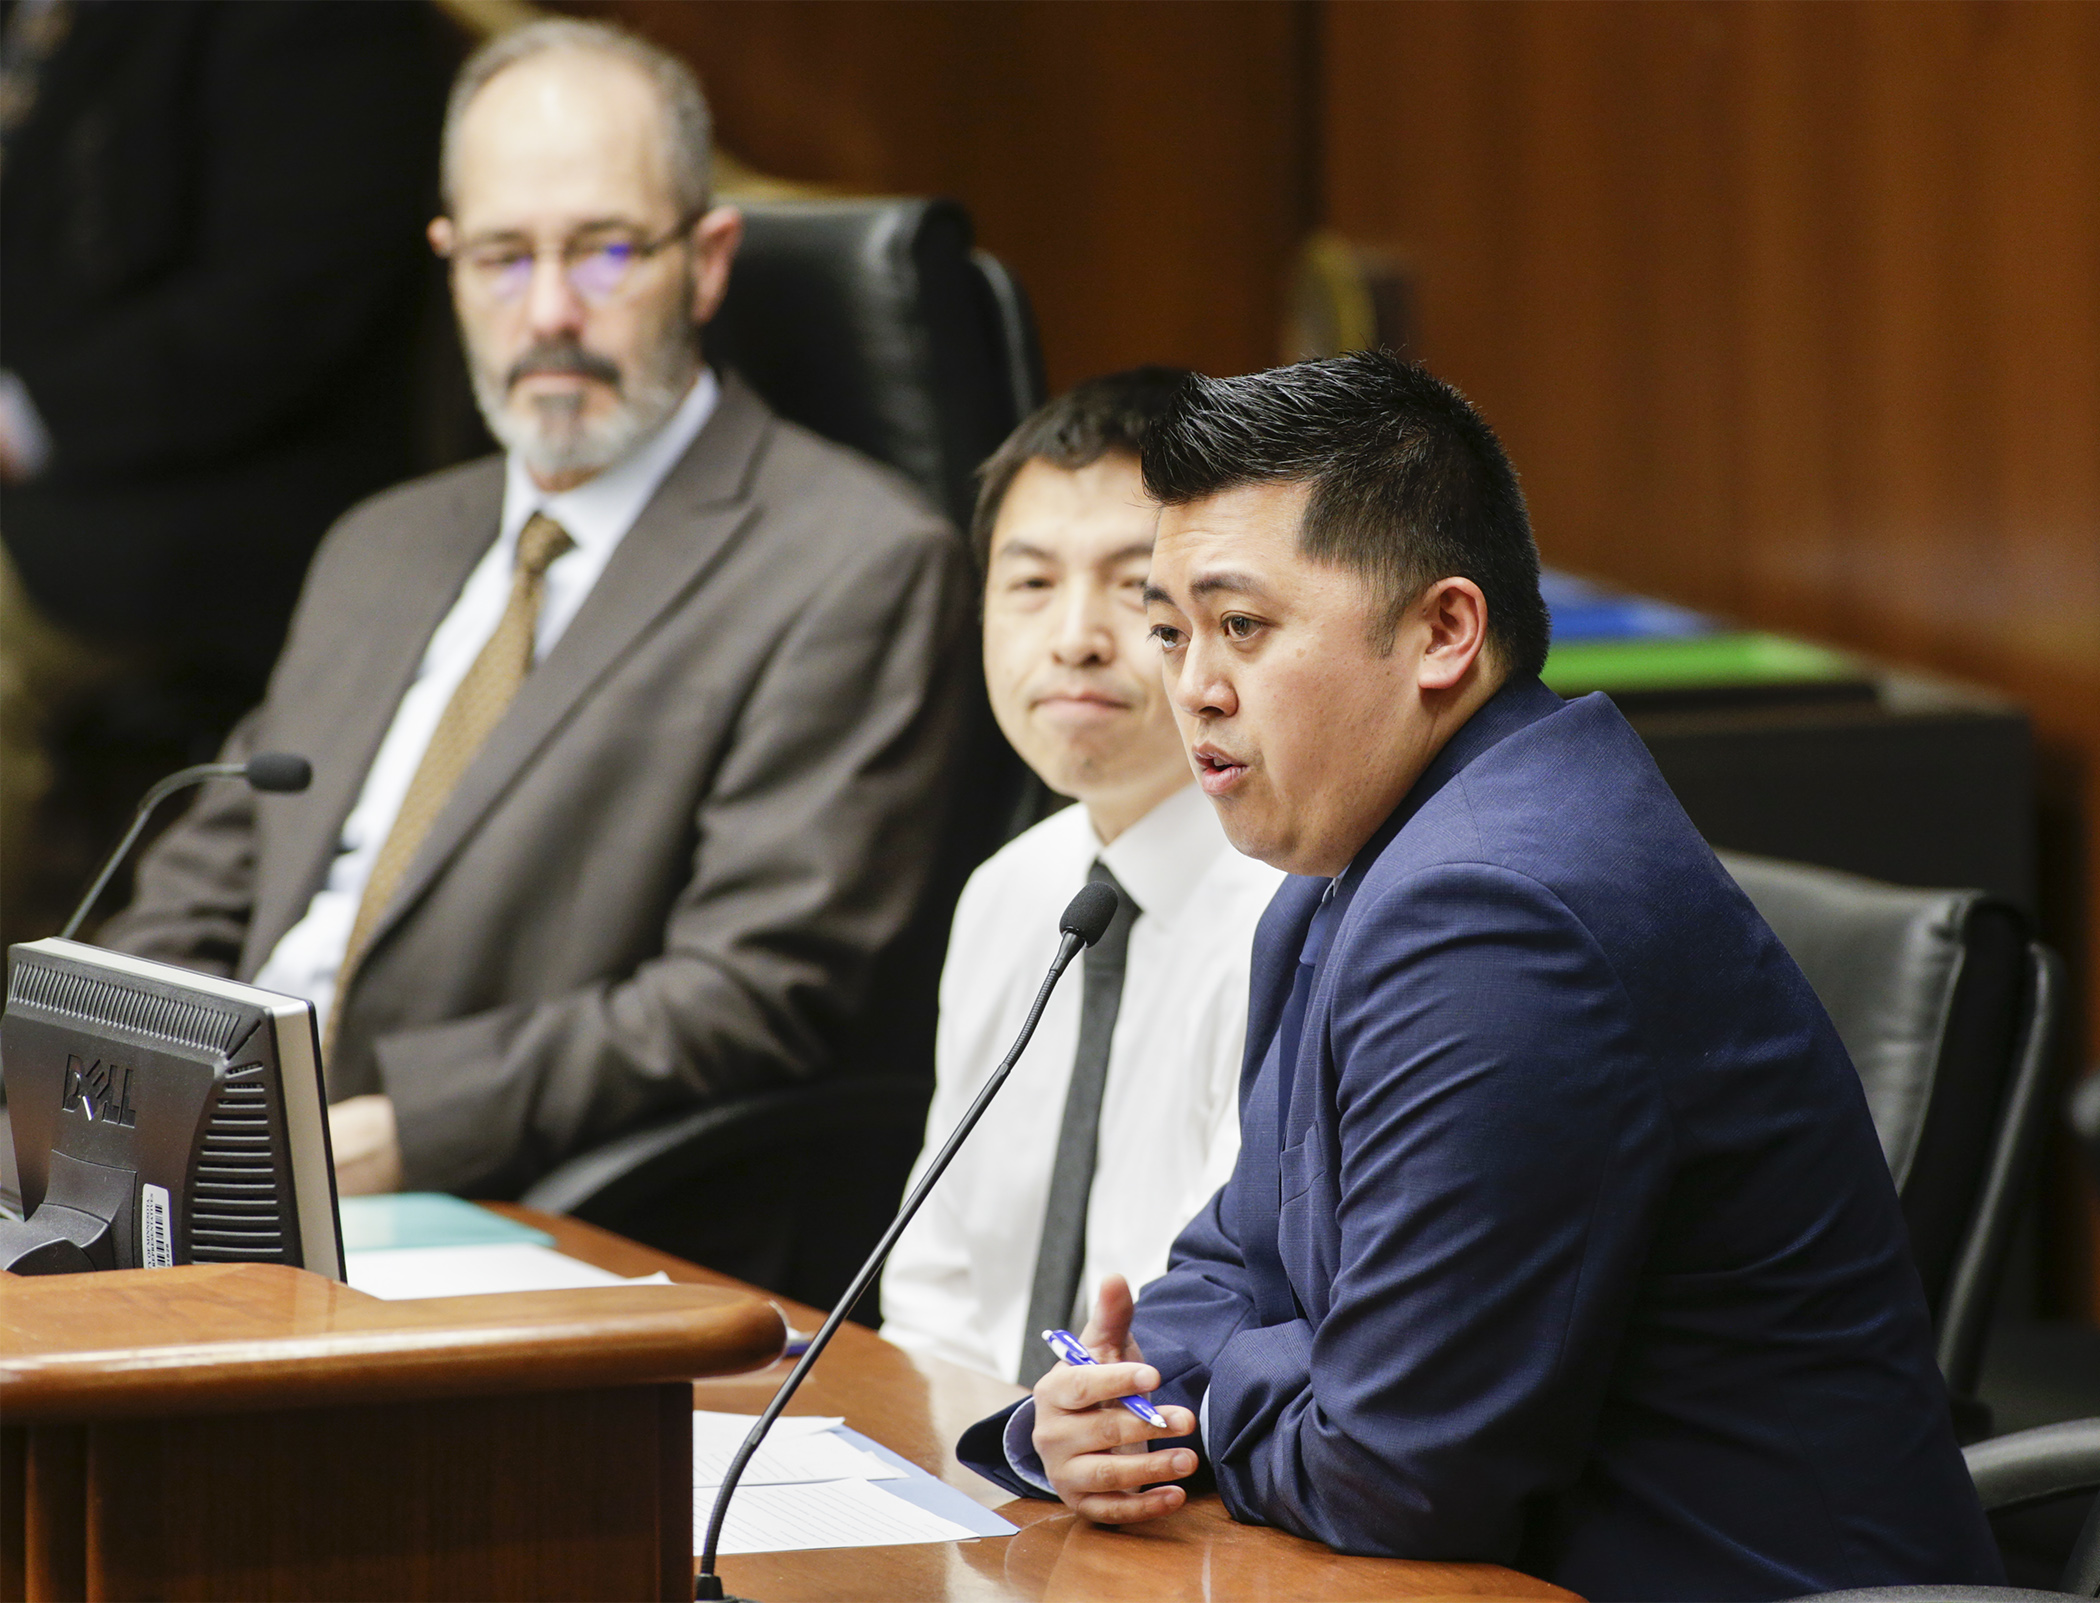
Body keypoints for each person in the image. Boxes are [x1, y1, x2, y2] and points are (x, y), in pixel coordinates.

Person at [958, 352, 2003, 1600]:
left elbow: (1395, 1474)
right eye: (1172, 631)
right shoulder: (1347, 869)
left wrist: (1207, 1395)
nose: (1194, 689)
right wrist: (1097, 1419)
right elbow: (1235, 1266)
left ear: (1444, 631)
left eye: (1244, 626)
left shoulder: (1500, 912)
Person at [102, 19, 974, 1202]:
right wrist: (98, 1085)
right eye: (503, 259)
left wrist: (397, 1131)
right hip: (213, 1169)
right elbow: (213, 870)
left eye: (606, 253)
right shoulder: (382, 543)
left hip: (495, 1198)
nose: (551, 310)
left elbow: (750, 991)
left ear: (708, 259)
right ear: (448, 264)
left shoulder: (852, 563)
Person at [0, 0, 455, 948]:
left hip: (235, 501)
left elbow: (284, 307)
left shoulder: (322, 25)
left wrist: (30, 418)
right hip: (69, 478)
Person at [880, 370, 1283, 1383]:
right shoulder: (1012, 893)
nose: (1074, 638)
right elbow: (933, 1292)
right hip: (990, 1471)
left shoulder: (1292, 909)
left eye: (1135, 586)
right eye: (1028, 584)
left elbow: (1246, 1315)